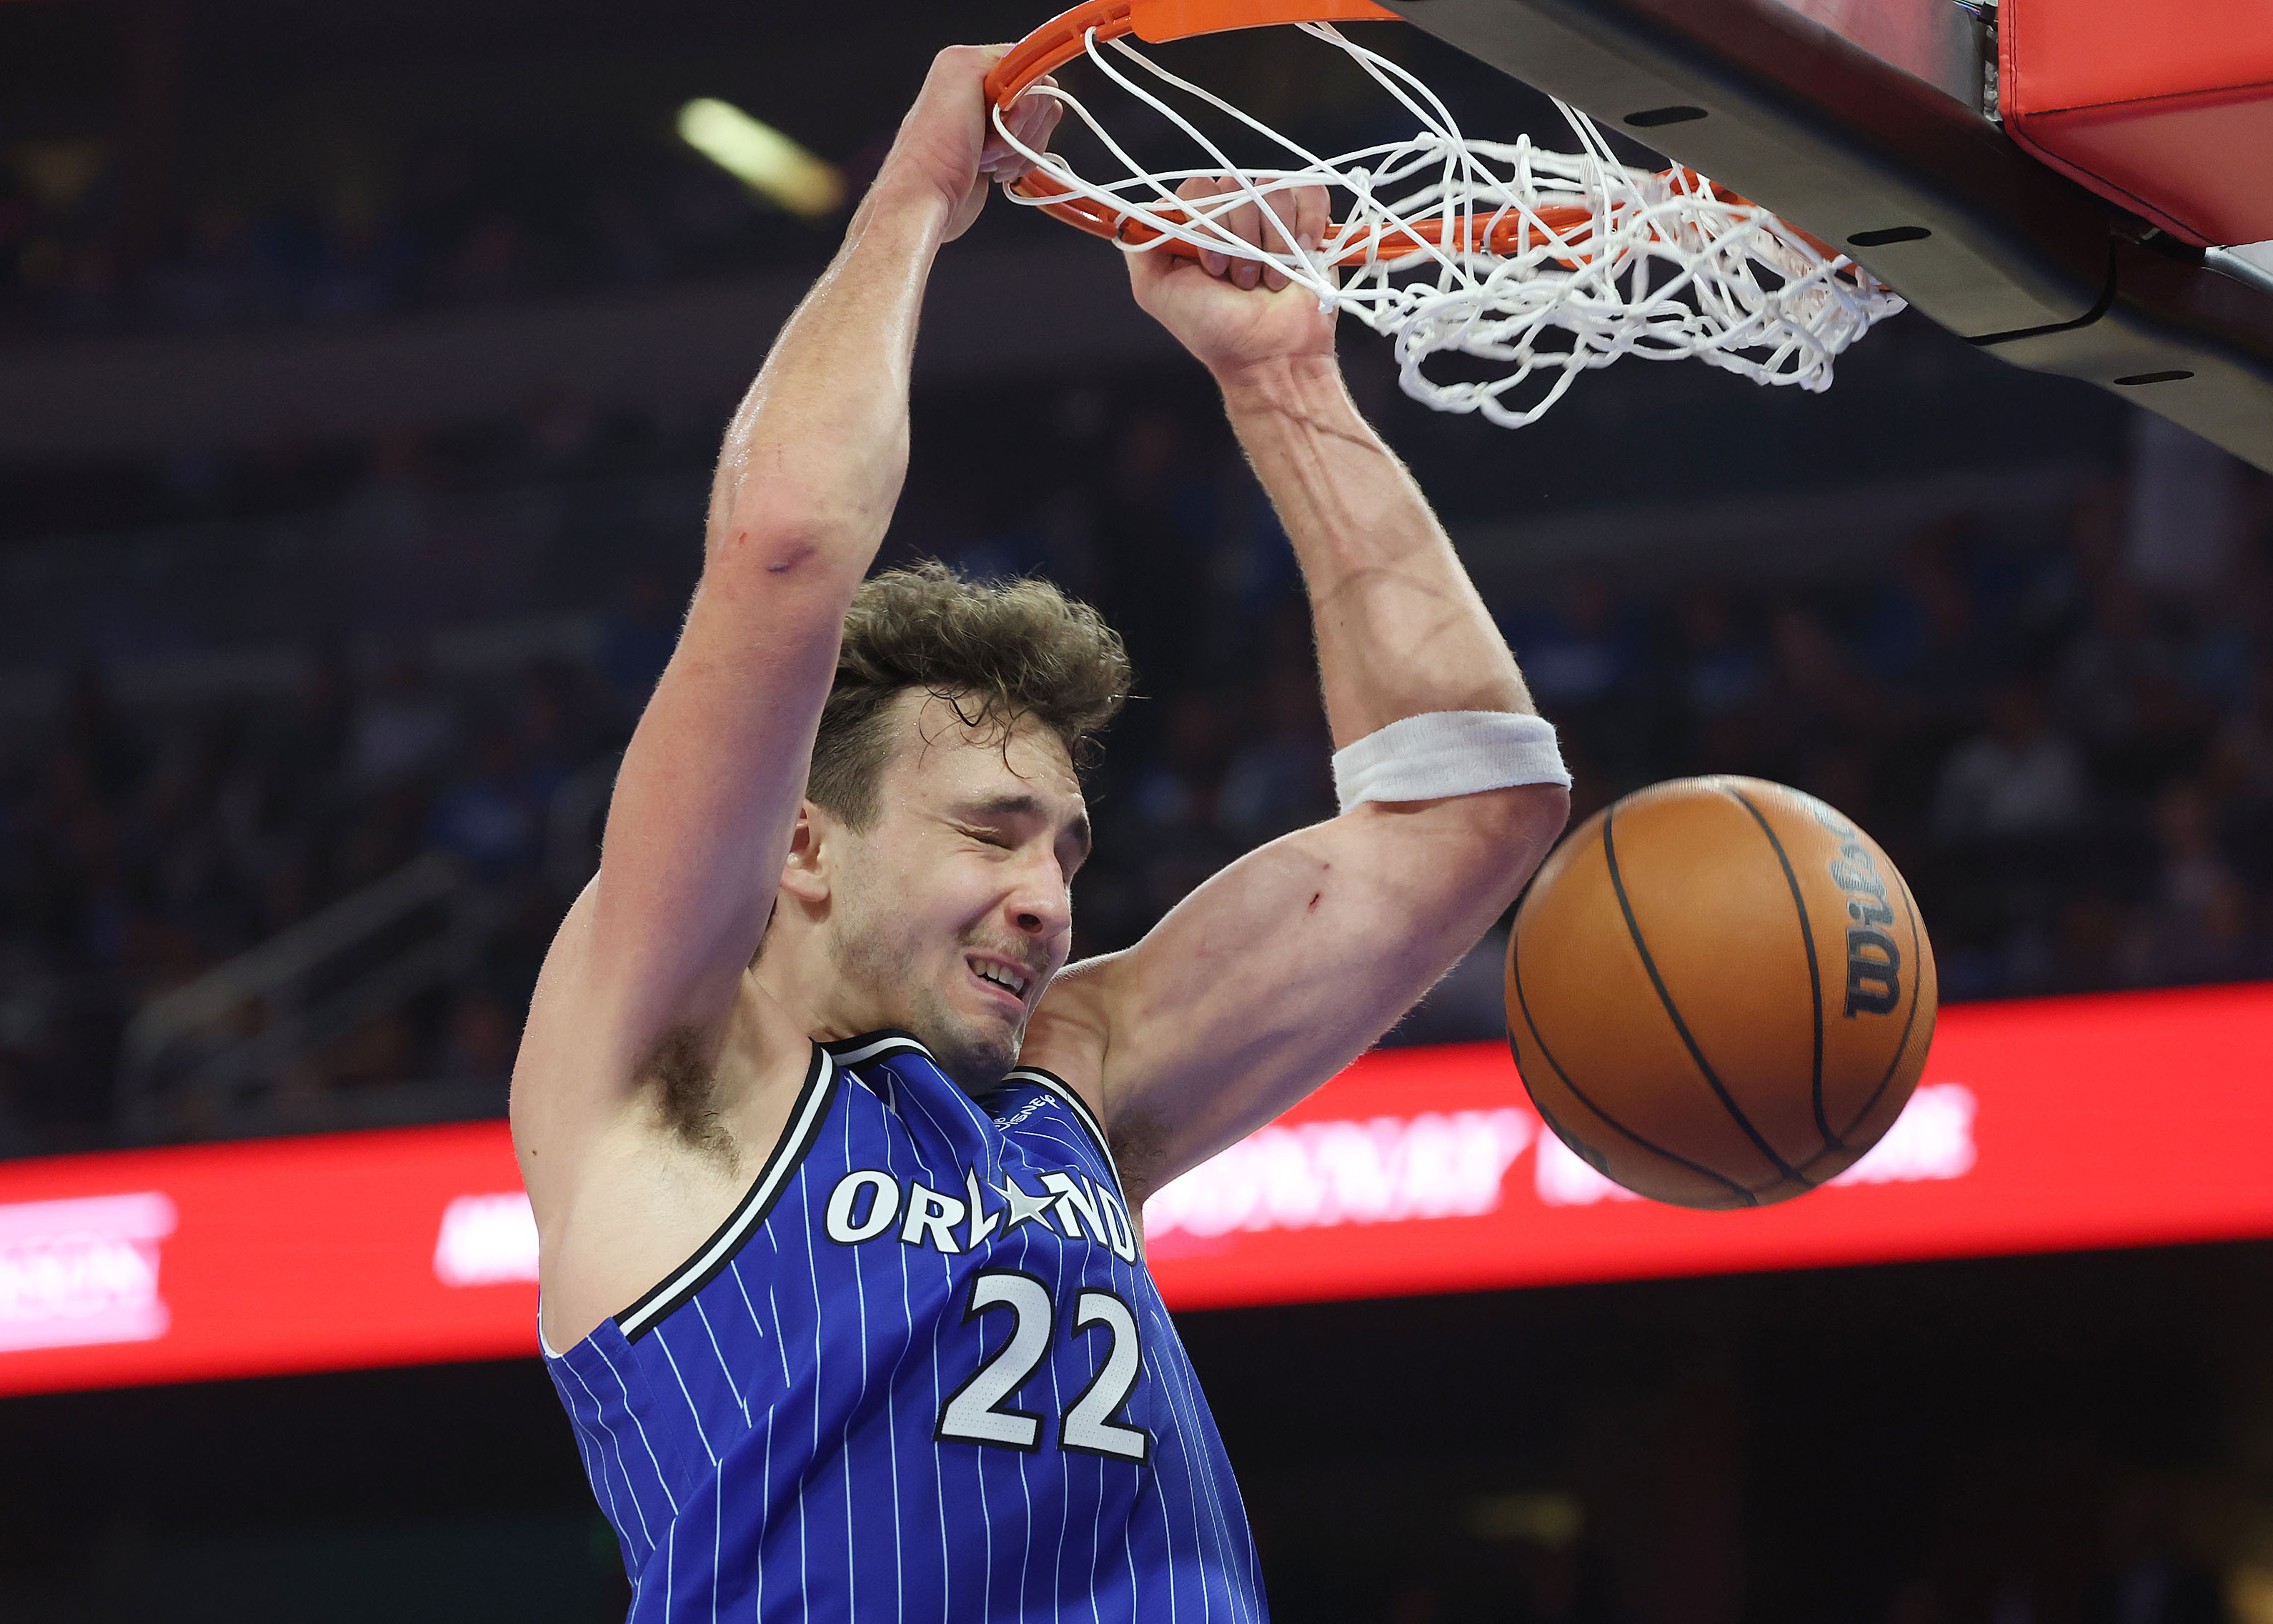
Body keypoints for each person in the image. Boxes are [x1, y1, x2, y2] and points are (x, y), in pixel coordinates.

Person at [512, 44, 1571, 1620]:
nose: (1045, 900)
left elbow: (1475, 813)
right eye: (993, 831)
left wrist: (1283, 383)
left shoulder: (1079, 1084)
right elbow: (789, 546)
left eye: (1067, 850)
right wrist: (918, 202)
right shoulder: (670, 1078)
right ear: (804, 848)